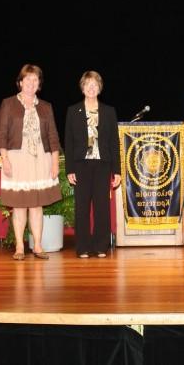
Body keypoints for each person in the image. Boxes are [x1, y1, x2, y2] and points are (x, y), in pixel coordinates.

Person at [0, 64, 61, 260]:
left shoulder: (46, 107)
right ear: (20, 82)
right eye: (28, 79)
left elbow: (53, 137)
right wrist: (5, 160)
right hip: (16, 158)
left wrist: (55, 162)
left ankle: (38, 246)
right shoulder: (8, 104)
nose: (31, 83)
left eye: (35, 80)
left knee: (36, 204)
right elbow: (1, 135)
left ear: (39, 84)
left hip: (41, 158)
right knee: (19, 204)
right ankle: (19, 247)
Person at [64, 71, 121, 258]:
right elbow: (69, 142)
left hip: (103, 164)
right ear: (82, 87)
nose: (91, 87)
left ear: (99, 88)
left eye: (95, 84)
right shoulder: (73, 111)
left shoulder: (109, 111)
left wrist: (117, 171)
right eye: (88, 84)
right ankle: (83, 246)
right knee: (81, 207)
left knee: (101, 206)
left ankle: (100, 245)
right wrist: (70, 169)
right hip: (81, 165)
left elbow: (114, 142)